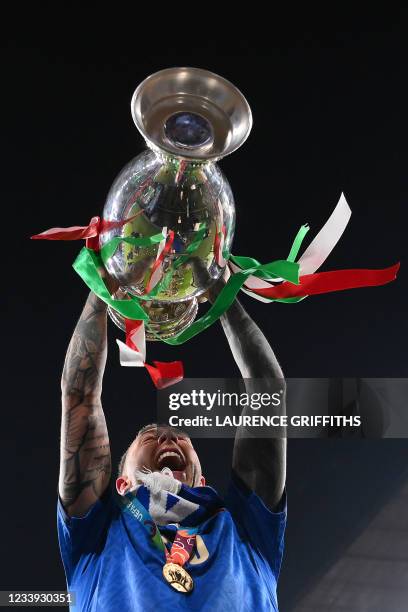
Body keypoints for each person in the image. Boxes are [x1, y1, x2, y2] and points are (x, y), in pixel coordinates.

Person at [57, 270, 287, 612]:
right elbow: (79, 396)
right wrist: (101, 284)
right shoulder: (98, 535)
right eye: (150, 438)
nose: (169, 438)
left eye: (181, 438)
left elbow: (268, 389)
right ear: (121, 484)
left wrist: (221, 293)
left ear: (201, 480)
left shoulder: (243, 531)